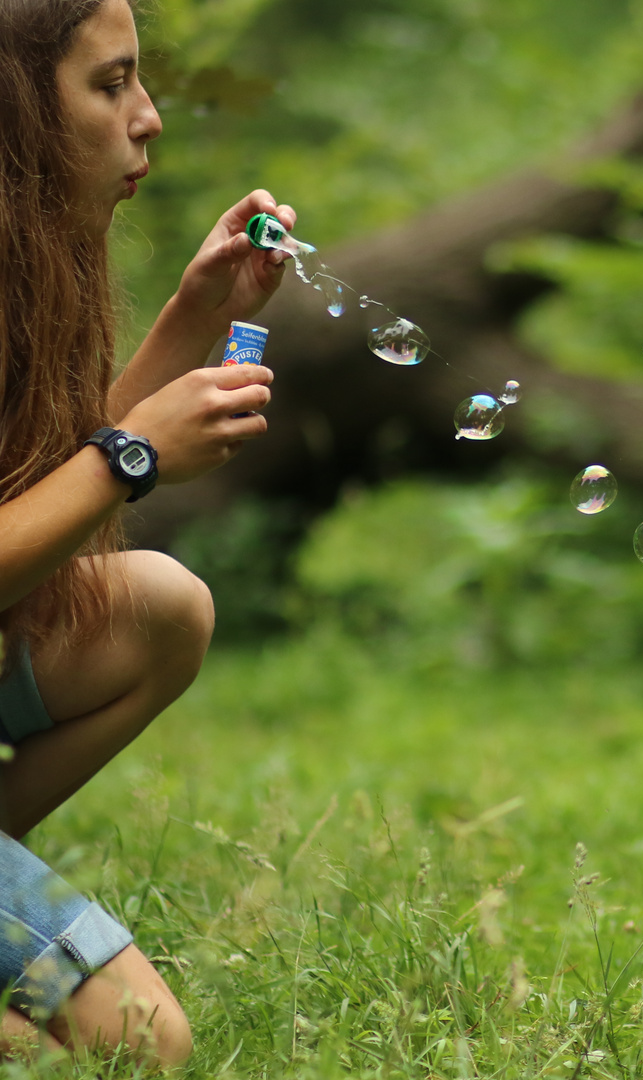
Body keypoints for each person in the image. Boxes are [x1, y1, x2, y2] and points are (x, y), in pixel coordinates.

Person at [0, 0, 295, 1066]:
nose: (150, 116)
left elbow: (42, 511)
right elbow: (91, 477)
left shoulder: (40, 260)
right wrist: (130, 454)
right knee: (140, 1043)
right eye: (109, 83)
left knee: (166, 608)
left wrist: (191, 315)